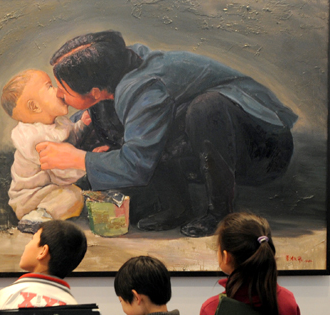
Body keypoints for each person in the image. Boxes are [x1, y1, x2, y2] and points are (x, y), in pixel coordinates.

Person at [37, 30, 297, 237]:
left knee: (205, 108)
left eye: (63, 89)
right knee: (114, 121)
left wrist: (77, 159)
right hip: (217, 136)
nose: (60, 95)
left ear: (94, 90)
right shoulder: (117, 68)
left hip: (263, 147)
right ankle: (176, 208)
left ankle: (220, 214)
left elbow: (136, 163)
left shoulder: (145, 88)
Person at [1, 69, 92, 233]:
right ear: (34, 106)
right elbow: (62, 173)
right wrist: (88, 162)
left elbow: (69, 139)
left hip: (49, 191)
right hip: (30, 198)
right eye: (50, 87)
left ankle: (45, 215)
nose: (59, 90)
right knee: (74, 196)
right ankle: (38, 216)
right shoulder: (35, 140)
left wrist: (82, 126)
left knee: (73, 195)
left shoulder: (55, 124)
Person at [0, 219, 88, 309]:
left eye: (32, 239)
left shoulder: (6, 297)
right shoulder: (72, 306)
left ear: (43, 251)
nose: (26, 245)